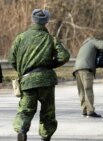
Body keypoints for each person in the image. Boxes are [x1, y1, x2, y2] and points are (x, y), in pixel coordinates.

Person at [8, 9, 70, 141]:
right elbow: (64, 56)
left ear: (32, 20)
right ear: (46, 21)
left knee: (26, 109)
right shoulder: (50, 39)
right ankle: (45, 136)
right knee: (48, 111)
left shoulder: (20, 38)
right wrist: (51, 65)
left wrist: (22, 70)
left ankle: (22, 130)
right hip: (46, 81)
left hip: (27, 80)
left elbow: (12, 59)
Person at [73, 36, 103, 118]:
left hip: (76, 69)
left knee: (81, 91)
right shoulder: (92, 41)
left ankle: (84, 110)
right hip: (86, 69)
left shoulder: (83, 45)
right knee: (88, 90)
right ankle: (90, 111)